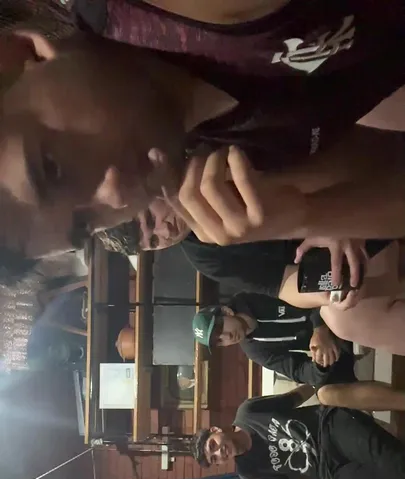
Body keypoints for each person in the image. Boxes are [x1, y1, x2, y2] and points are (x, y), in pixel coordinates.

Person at [1, 7, 405, 352]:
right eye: (85, 223)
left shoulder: (167, 16)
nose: (116, 194)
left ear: (17, 58)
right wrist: (307, 213)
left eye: (50, 167)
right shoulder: (222, 150)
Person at [192, 386, 405, 479]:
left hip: (329, 429)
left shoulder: (248, 412)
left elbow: (293, 397)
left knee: (393, 464)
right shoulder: (248, 473)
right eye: (214, 459)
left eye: (213, 446)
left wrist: (318, 384)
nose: (219, 453)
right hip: (332, 474)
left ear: (216, 430)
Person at [191, 294, 405, 411]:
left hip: (333, 307)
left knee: (339, 313)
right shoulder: (254, 350)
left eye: (221, 329)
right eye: (219, 341)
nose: (227, 337)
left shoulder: (252, 293)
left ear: (226, 311)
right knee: (326, 394)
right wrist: (319, 363)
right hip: (330, 346)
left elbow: (313, 289)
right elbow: (298, 370)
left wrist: (319, 328)